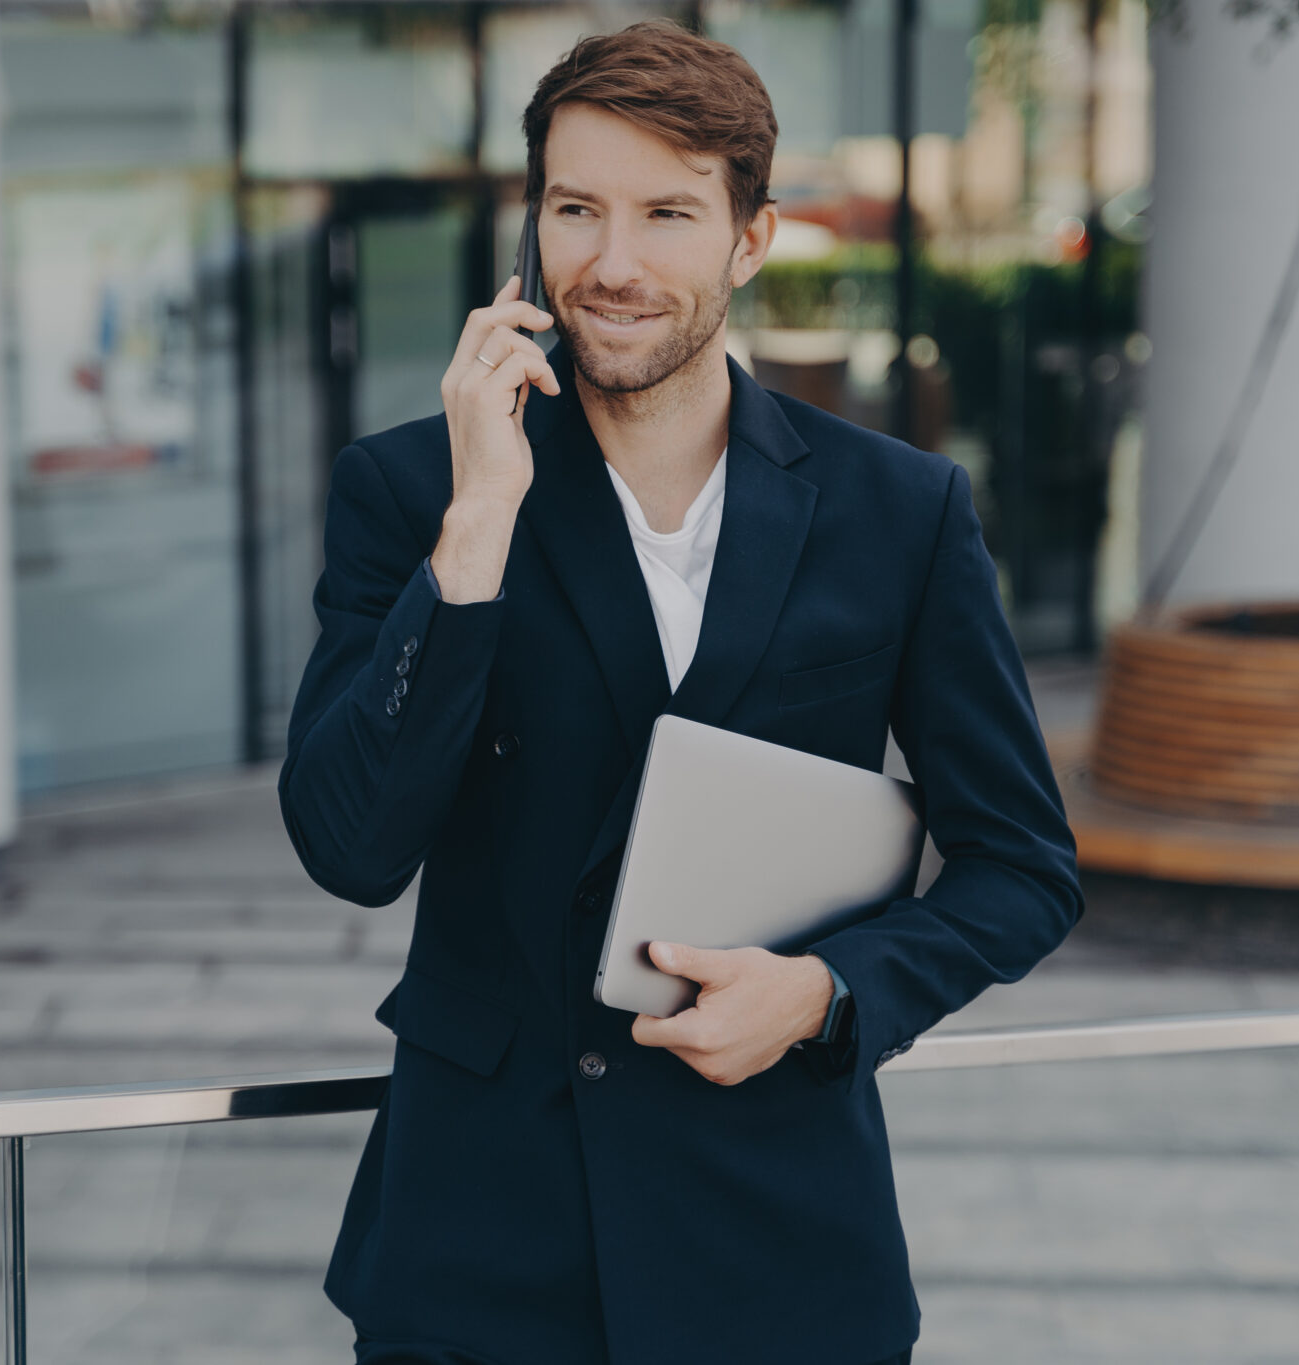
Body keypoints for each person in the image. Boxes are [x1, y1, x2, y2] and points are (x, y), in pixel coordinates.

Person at [278, 20, 1081, 1365]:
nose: (613, 263)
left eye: (667, 213)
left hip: (772, 1236)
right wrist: (475, 535)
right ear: (531, 224)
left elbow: (1024, 866)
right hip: (481, 1244)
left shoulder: (900, 509)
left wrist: (828, 991)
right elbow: (350, 848)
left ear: (750, 240)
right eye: (576, 208)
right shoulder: (413, 487)